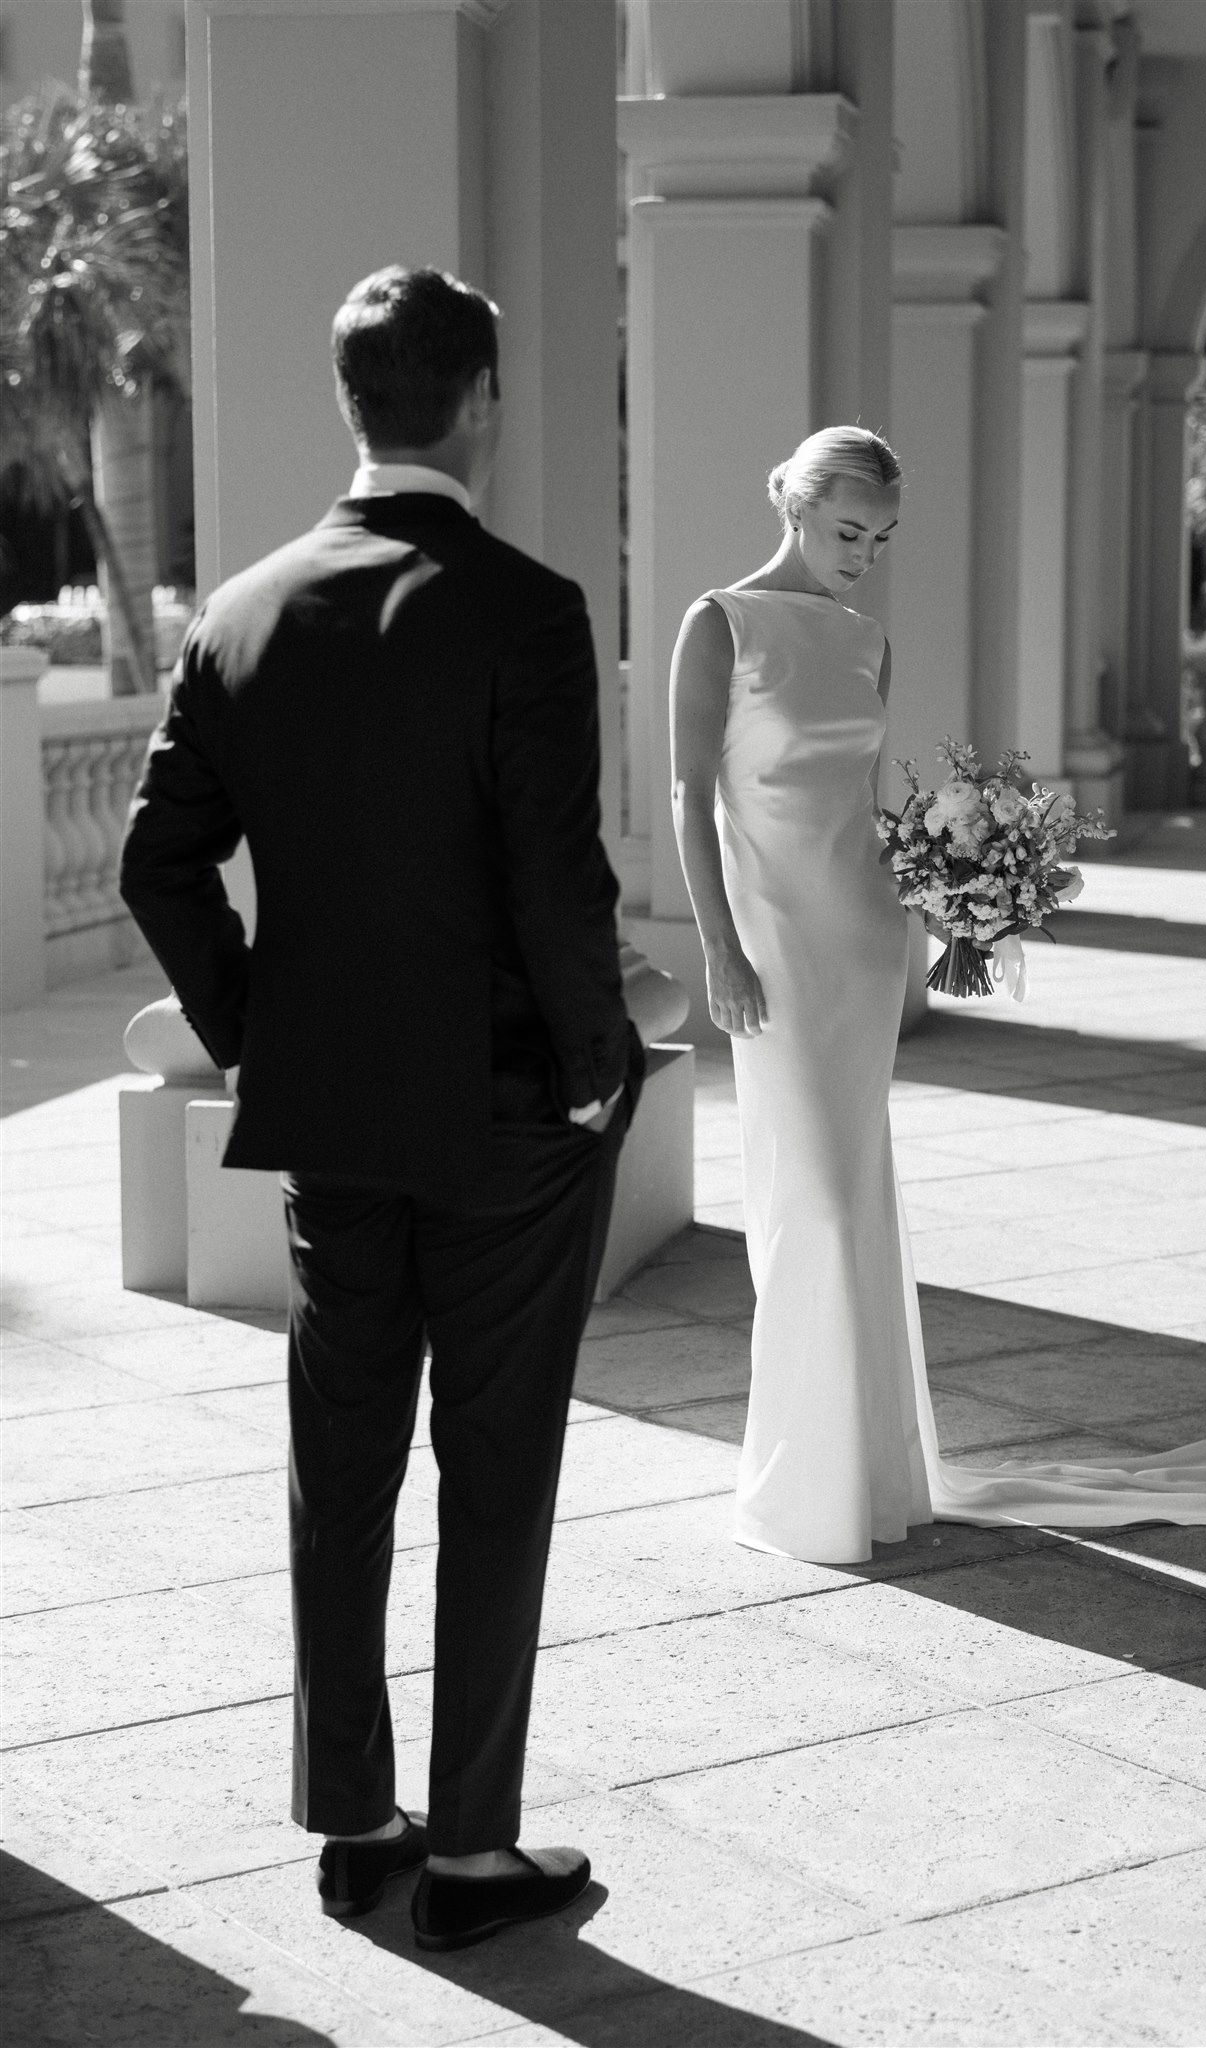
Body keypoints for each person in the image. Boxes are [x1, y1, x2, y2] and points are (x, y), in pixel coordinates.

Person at [120, 266, 643, 1951]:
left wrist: (256, 1030)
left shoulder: (243, 611)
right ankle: (475, 1851)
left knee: (339, 1466)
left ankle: (354, 1816)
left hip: (329, 1116)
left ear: (354, 403)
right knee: (498, 1471)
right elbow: (556, 879)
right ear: (477, 401)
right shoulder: (528, 609)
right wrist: (597, 1060)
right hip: (502, 1121)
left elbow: (157, 858)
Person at [668, 424, 1206, 1567]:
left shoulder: (865, 639)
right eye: (845, 532)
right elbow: (691, 797)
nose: (860, 556)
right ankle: (806, 1483)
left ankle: (864, 1471)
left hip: (867, 941)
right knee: (811, 1204)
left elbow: (865, 804)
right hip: (777, 948)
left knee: (853, 1201)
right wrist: (719, 950)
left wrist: (951, 889)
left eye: (879, 540)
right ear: (791, 504)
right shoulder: (720, 624)